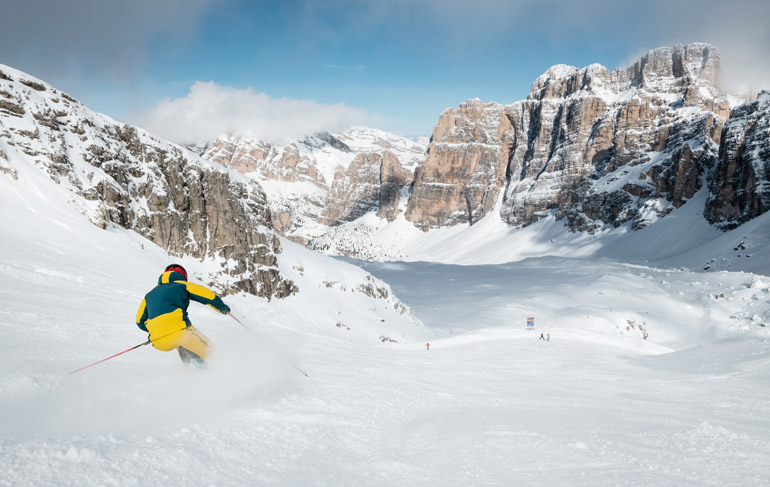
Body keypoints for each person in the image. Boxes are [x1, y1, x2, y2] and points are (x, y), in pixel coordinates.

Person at [135, 264, 230, 367]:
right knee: (211, 351)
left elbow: (139, 321)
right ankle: (220, 370)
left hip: (158, 341)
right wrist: (221, 307)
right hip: (179, 333)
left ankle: (192, 363)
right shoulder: (181, 284)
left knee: (182, 343)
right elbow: (206, 294)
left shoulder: (149, 295)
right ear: (183, 276)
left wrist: (155, 331)